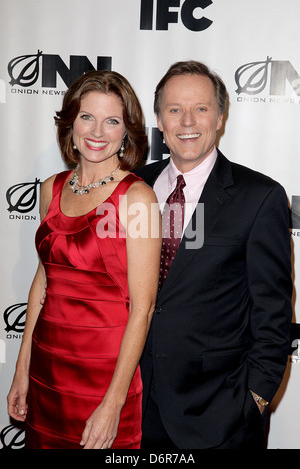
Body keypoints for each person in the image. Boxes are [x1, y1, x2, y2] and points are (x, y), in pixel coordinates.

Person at [135, 60, 293, 449]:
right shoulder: (134, 186)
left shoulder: (260, 197)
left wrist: (253, 400)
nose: (187, 120)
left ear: (220, 117)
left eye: (201, 108)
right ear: (159, 120)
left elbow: (273, 316)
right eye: (174, 109)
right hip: (134, 409)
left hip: (220, 417)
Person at [7, 70, 161, 449]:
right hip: (47, 371)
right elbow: (43, 281)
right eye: (87, 117)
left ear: (126, 132)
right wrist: (22, 367)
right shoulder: (51, 189)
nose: (97, 131)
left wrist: (114, 401)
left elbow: (143, 308)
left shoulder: (137, 199)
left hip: (104, 374)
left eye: (112, 121)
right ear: (70, 122)